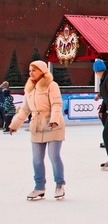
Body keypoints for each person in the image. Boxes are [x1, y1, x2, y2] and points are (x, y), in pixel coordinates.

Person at [8, 61, 66, 200]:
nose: (31, 73)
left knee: (54, 156)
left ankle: (59, 185)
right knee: (37, 160)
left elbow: (56, 104)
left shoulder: (52, 85)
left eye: (34, 70)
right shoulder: (29, 88)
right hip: (36, 126)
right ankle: (39, 187)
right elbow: (25, 109)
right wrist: (14, 124)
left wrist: (54, 120)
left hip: (53, 125)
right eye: (30, 70)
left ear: (42, 71)